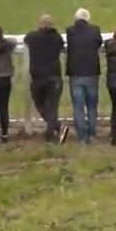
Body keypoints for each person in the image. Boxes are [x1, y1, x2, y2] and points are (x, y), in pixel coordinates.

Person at [24, 14, 67, 143]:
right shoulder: (57, 38)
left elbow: (26, 39)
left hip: (38, 77)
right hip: (53, 76)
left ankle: (52, 132)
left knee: (40, 105)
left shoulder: (32, 37)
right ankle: (55, 128)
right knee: (52, 107)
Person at [66, 8, 104, 144]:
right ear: (88, 18)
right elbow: (99, 42)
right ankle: (92, 133)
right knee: (92, 105)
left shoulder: (70, 31)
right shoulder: (95, 30)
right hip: (91, 72)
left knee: (78, 106)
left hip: (75, 72)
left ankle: (82, 136)